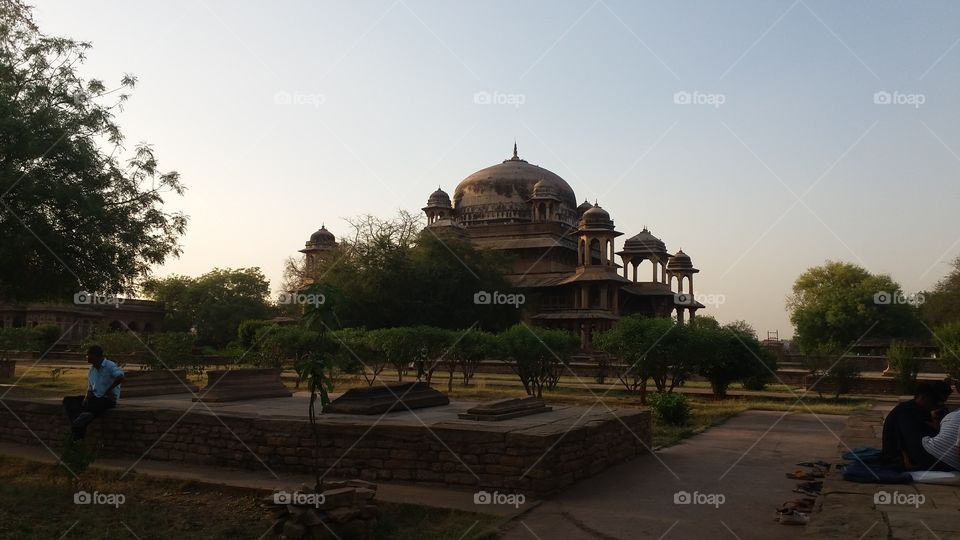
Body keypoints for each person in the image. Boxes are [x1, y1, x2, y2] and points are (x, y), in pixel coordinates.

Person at [881, 380, 952, 470]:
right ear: (923, 397)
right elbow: (912, 445)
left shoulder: (935, 410)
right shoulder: (906, 412)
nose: (940, 403)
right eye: (937, 400)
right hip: (902, 457)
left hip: (926, 450)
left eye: (943, 401)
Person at [62, 345, 124, 440]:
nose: (86, 357)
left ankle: (84, 420)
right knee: (68, 400)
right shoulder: (92, 370)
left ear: (94, 355)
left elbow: (120, 377)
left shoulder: (110, 365)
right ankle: (78, 421)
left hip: (107, 399)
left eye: (88, 355)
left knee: (96, 404)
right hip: (94, 398)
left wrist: (109, 390)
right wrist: (86, 397)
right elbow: (90, 387)